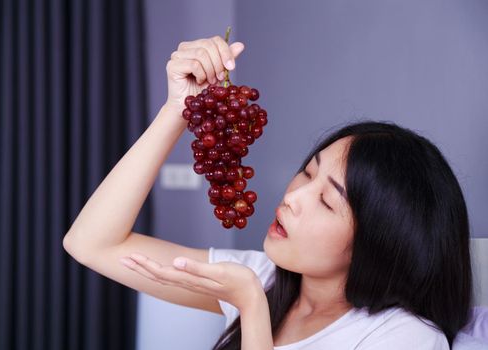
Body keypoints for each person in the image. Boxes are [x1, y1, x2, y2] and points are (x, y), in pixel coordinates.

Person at [62, 35, 473, 349]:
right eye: (306, 174)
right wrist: (177, 109)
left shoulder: (405, 337)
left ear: (380, 242)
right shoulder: (264, 277)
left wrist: (251, 306)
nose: (292, 197)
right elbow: (91, 243)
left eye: (328, 201)